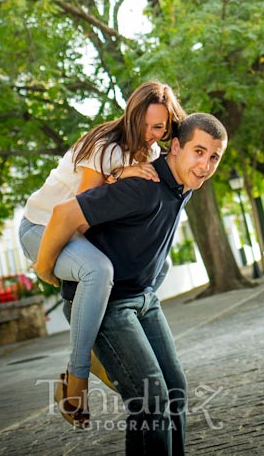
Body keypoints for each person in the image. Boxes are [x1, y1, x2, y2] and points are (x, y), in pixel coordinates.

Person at [52, 112, 228, 454]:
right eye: (199, 151)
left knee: (175, 390)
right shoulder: (141, 186)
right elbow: (65, 215)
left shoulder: (183, 186)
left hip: (143, 300)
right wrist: (48, 269)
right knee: (151, 400)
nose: (205, 165)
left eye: (214, 157)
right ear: (175, 147)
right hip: (105, 304)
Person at [19, 81, 186, 427]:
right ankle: (75, 379)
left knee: (160, 264)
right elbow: (79, 217)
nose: (150, 134)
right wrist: (46, 267)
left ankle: (105, 342)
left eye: (159, 127)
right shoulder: (104, 146)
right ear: (131, 114)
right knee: (98, 270)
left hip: (76, 235)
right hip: (42, 229)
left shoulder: (152, 154)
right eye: (144, 123)